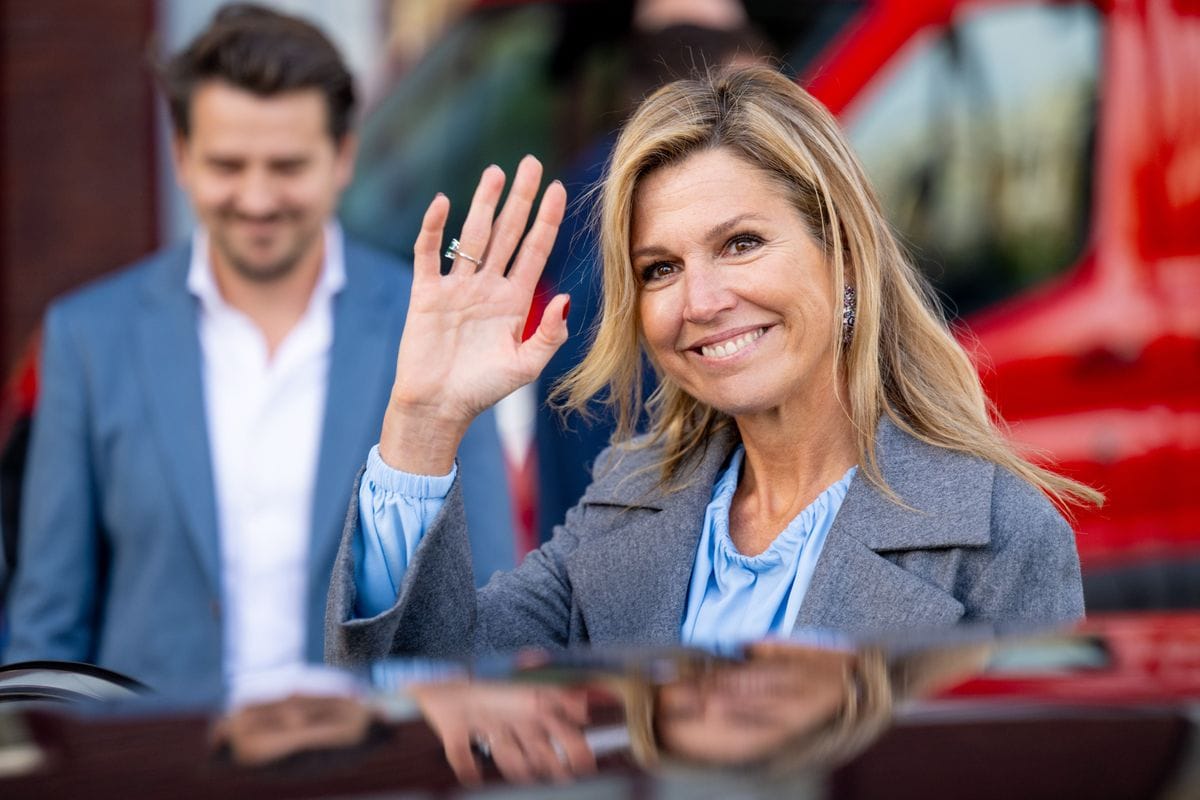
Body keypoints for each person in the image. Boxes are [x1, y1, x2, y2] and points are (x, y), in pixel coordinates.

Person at [327, 67, 1098, 669]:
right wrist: (423, 425)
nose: (700, 300)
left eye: (741, 244)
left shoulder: (1000, 536)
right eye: (659, 269)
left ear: (846, 260)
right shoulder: (630, 499)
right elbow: (426, 686)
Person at [2, 4, 513, 703]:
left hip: (372, 768)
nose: (257, 197)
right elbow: (46, 627)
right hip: (152, 771)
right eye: (227, 164)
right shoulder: (88, 337)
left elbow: (485, 602)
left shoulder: (428, 326)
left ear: (343, 156)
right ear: (181, 157)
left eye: (286, 165)